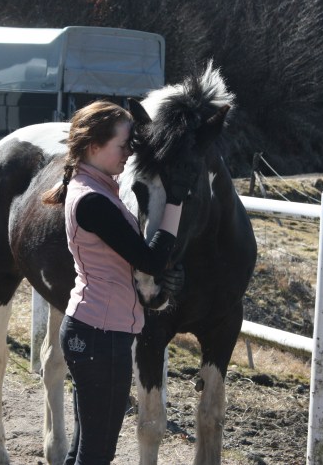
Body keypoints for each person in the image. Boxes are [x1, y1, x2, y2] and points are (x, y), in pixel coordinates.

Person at [41, 100, 195, 465]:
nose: (129, 153)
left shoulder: (96, 189)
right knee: (96, 454)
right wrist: (174, 201)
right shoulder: (93, 201)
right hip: (101, 337)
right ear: (95, 147)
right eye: (124, 145)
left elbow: (129, 261)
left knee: (84, 449)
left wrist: (168, 275)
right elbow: (149, 259)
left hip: (93, 330)